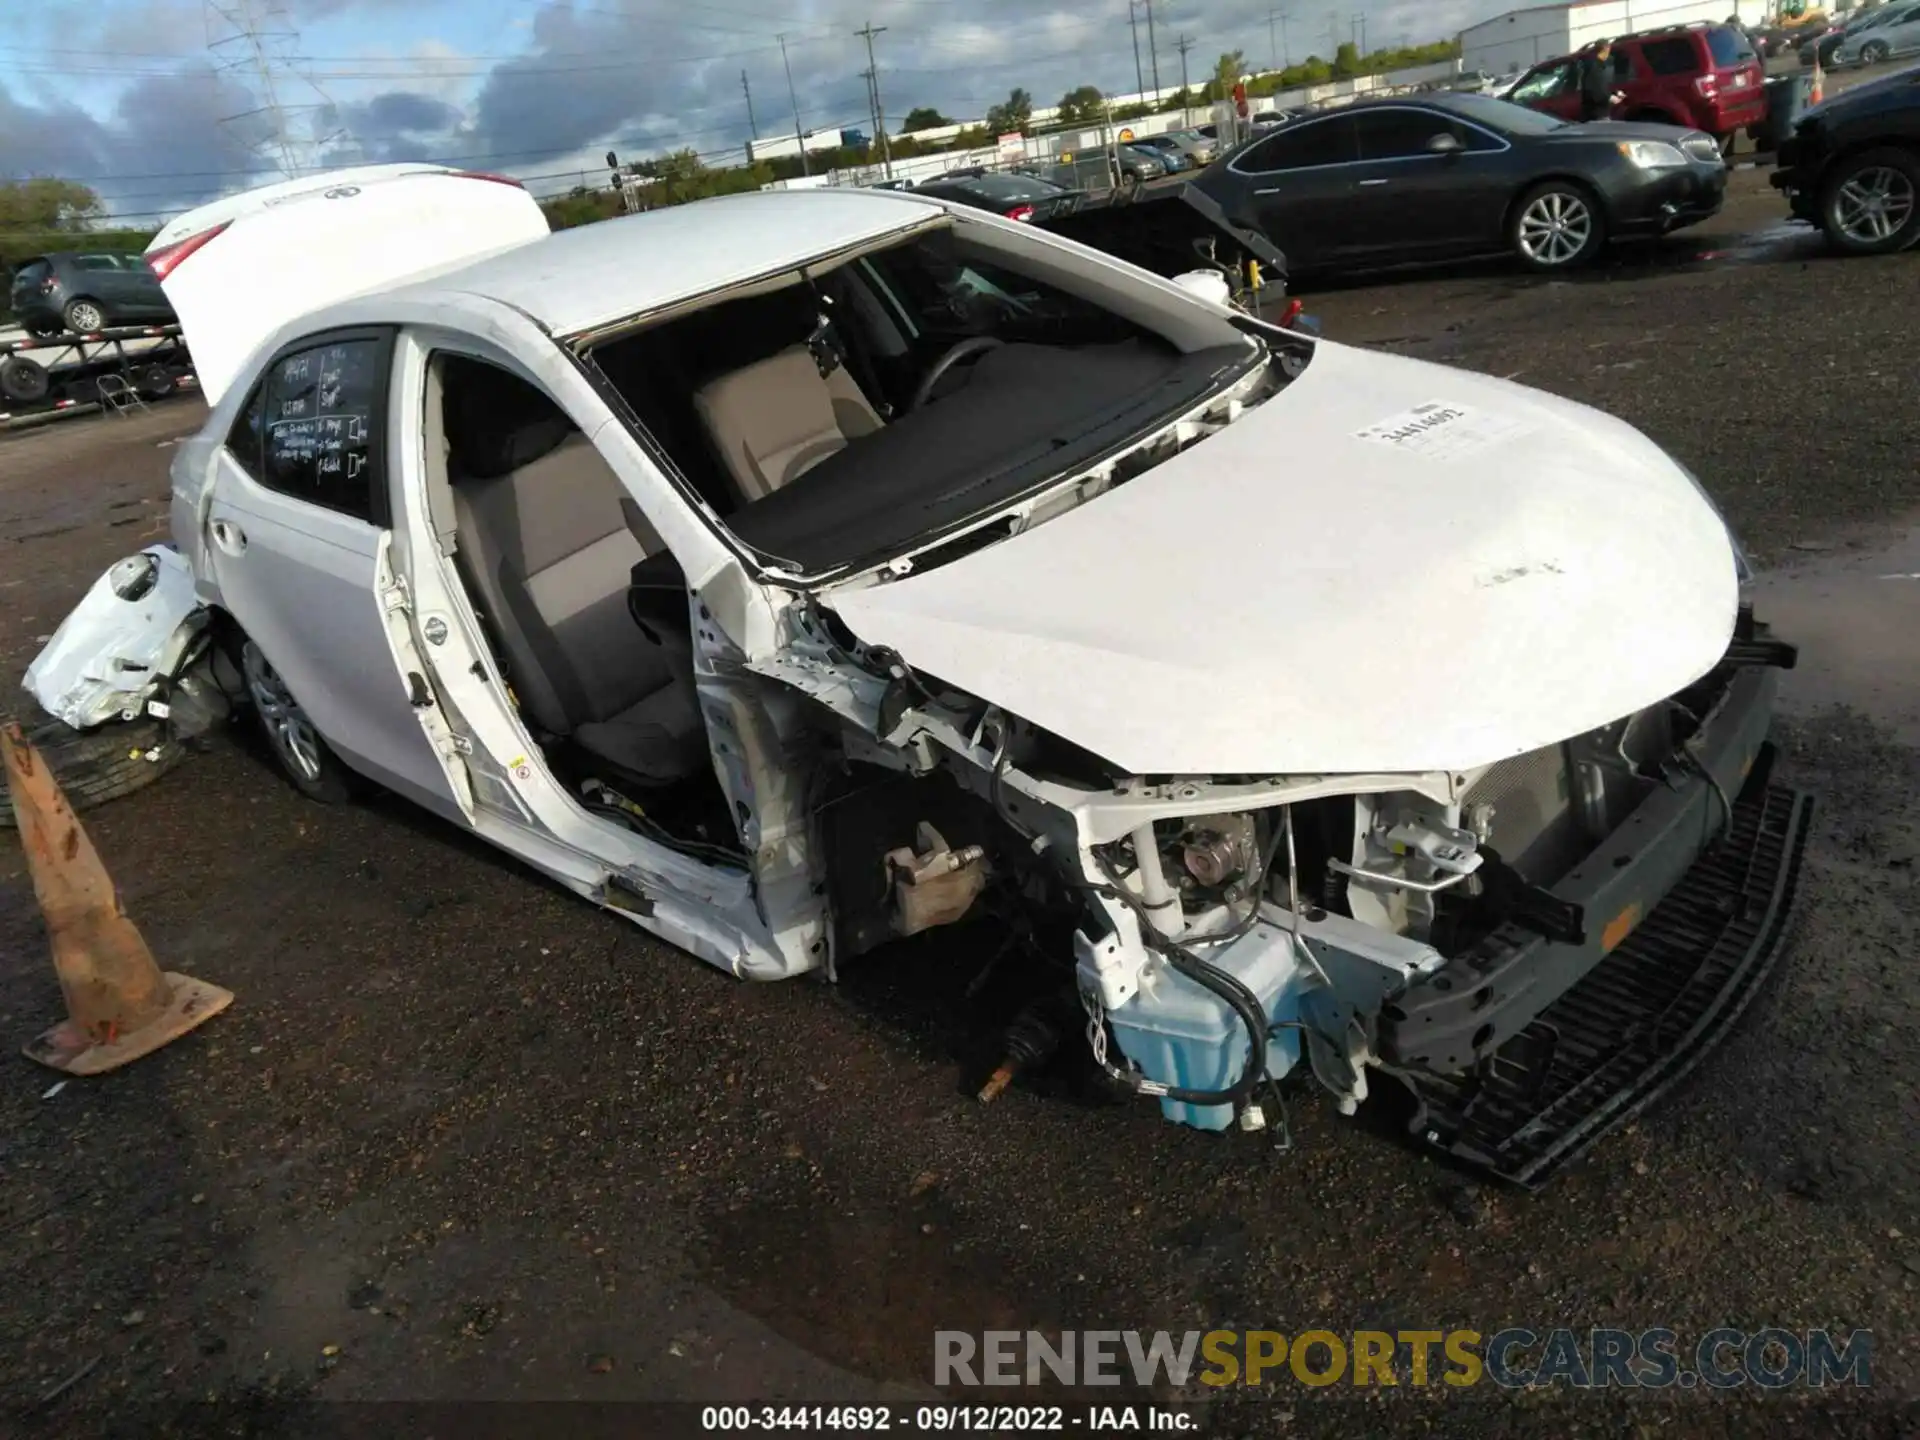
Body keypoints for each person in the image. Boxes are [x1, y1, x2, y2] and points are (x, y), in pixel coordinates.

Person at [1579, 39, 1616, 122]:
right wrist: (1609, 97)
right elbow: (1596, 89)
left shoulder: (1598, 64)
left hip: (1598, 111)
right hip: (1597, 113)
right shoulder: (1595, 66)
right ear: (1605, 49)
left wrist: (1615, 92)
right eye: (1608, 49)